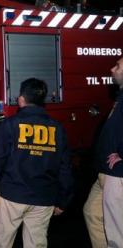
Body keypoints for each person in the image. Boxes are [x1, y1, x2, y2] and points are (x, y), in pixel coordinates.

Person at [0, 78, 74, 248]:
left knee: (0, 243)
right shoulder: (58, 128)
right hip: (44, 198)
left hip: (12, 195)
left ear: (21, 99)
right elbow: (65, 168)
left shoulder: (10, 125)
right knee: (36, 244)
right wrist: (63, 200)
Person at [85, 56, 123, 247]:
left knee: (117, 228)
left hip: (117, 174)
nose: (112, 68)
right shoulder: (120, 97)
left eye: (117, 66)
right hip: (105, 173)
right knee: (92, 213)